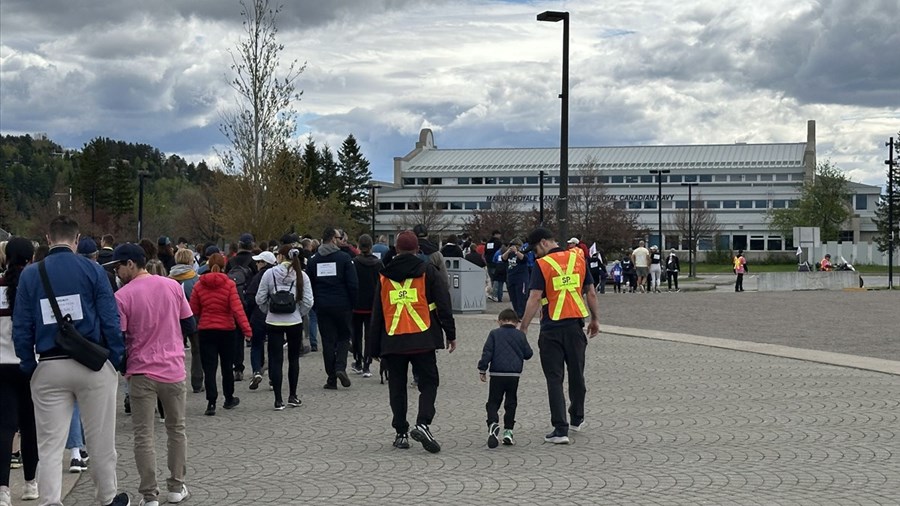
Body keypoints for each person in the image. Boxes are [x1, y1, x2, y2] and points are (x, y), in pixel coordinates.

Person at [12, 215, 130, 506]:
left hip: (50, 363)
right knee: (101, 441)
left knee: (49, 445)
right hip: (91, 362)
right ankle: (107, 498)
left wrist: (28, 364)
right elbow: (110, 318)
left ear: (48, 239)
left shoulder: (30, 274)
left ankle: (51, 500)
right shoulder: (92, 269)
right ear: (77, 240)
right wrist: (114, 358)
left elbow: (22, 325)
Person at [113, 243, 194, 506]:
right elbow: (189, 324)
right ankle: (176, 486)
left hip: (140, 371)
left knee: (143, 435)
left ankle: (149, 495)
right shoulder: (172, 286)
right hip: (172, 368)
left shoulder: (123, 296)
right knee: (176, 429)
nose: (116, 271)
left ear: (131, 264)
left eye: (118, 266)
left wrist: (124, 367)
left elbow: (120, 337)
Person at [368, 230, 456, 453]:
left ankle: (400, 433)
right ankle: (423, 423)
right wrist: (450, 333)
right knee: (429, 383)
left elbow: (377, 312)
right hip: (423, 338)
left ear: (396, 249)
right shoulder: (428, 271)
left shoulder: (384, 275)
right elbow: (443, 302)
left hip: (393, 340)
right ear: (418, 249)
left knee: (397, 388)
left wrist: (373, 347)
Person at [519, 227, 601, 445]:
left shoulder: (542, 265)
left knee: (554, 379)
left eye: (535, 248)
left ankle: (560, 429)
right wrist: (595, 319)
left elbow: (535, 298)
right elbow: (591, 292)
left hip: (551, 329)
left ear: (545, 243)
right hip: (575, 327)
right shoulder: (579, 259)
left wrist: (523, 327)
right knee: (577, 374)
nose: (535, 254)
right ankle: (577, 417)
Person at [189, 253, 252, 415]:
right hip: (226, 331)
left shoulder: (199, 285)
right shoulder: (229, 285)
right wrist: (247, 330)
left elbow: (194, 310)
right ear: (224, 266)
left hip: (206, 330)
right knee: (226, 366)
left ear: (208, 265)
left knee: (209, 368)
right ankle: (229, 398)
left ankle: (211, 402)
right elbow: (237, 310)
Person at [1, 238, 39, 505]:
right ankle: (31, 483)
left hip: (0, 366)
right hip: (31, 364)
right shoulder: (35, 286)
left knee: (4, 428)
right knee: (30, 426)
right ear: (31, 258)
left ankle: (2, 489)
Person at [255, 246, 313, 410]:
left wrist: (269, 311)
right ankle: (292, 396)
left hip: (273, 321)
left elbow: (260, 298)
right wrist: (298, 313)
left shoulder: (269, 274)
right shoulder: (301, 275)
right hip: (294, 321)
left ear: (280, 256)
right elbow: (308, 301)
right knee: (294, 359)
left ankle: (278, 399)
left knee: (275, 359)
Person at [306, 228, 358, 390]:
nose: (341, 239)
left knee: (328, 341)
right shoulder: (344, 258)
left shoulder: (314, 260)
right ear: (333, 239)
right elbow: (353, 284)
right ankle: (340, 368)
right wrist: (353, 303)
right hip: (342, 305)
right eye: (339, 237)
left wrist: (314, 304)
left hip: (323, 306)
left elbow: (310, 284)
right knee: (343, 337)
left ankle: (331, 378)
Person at [477, 308, 533, 449]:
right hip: (514, 376)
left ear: (500, 321)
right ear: (516, 322)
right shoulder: (520, 335)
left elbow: (487, 352)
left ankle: (493, 423)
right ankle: (508, 431)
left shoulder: (494, 334)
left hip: (497, 374)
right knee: (511, 402)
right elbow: (528, 354)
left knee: (493, 402)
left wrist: (482, 369)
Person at [169, 248, 204, 393]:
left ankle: (172, 380)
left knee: (172, 351)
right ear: (190, 261)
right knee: (197, 351)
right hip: (194, 319)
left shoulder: (168, 279)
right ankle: (197, 382)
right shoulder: (197, 279)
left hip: (172, 321)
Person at [225, 233, 257, 382]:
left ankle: (237, 367)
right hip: (250, 300)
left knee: (236, 335)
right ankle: (257, 366)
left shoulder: (231, 261)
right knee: (254, 334)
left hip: (234, 300)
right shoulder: (253, 261)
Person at [244, 250, 277, 391]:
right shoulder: (278, 275)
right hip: (276, 316)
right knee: (274, 348)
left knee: (256, 345)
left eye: (259, 261)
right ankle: (273, 379)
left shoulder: (257, 277)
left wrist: (249, 314)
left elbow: (250, 298)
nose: (256, 264)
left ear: (265, 263)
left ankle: (257, 371)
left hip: (258, 315)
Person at [351, 235, 383, 377]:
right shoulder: (378, 264)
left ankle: (358, 361)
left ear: (358, 245)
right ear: (371, 247)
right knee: (369, 335)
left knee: (356, 334)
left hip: (357, 303)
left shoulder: (353, 263)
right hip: (372, 304)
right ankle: (367, 364)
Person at [484, 230, 503, 302]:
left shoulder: (488, 243)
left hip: (489, 262)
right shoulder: (498, 242)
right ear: (496, 234)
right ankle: (496, 295)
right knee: (497, 279)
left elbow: (485, 252)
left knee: (492, 278)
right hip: (496, 263)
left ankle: (493, 293)